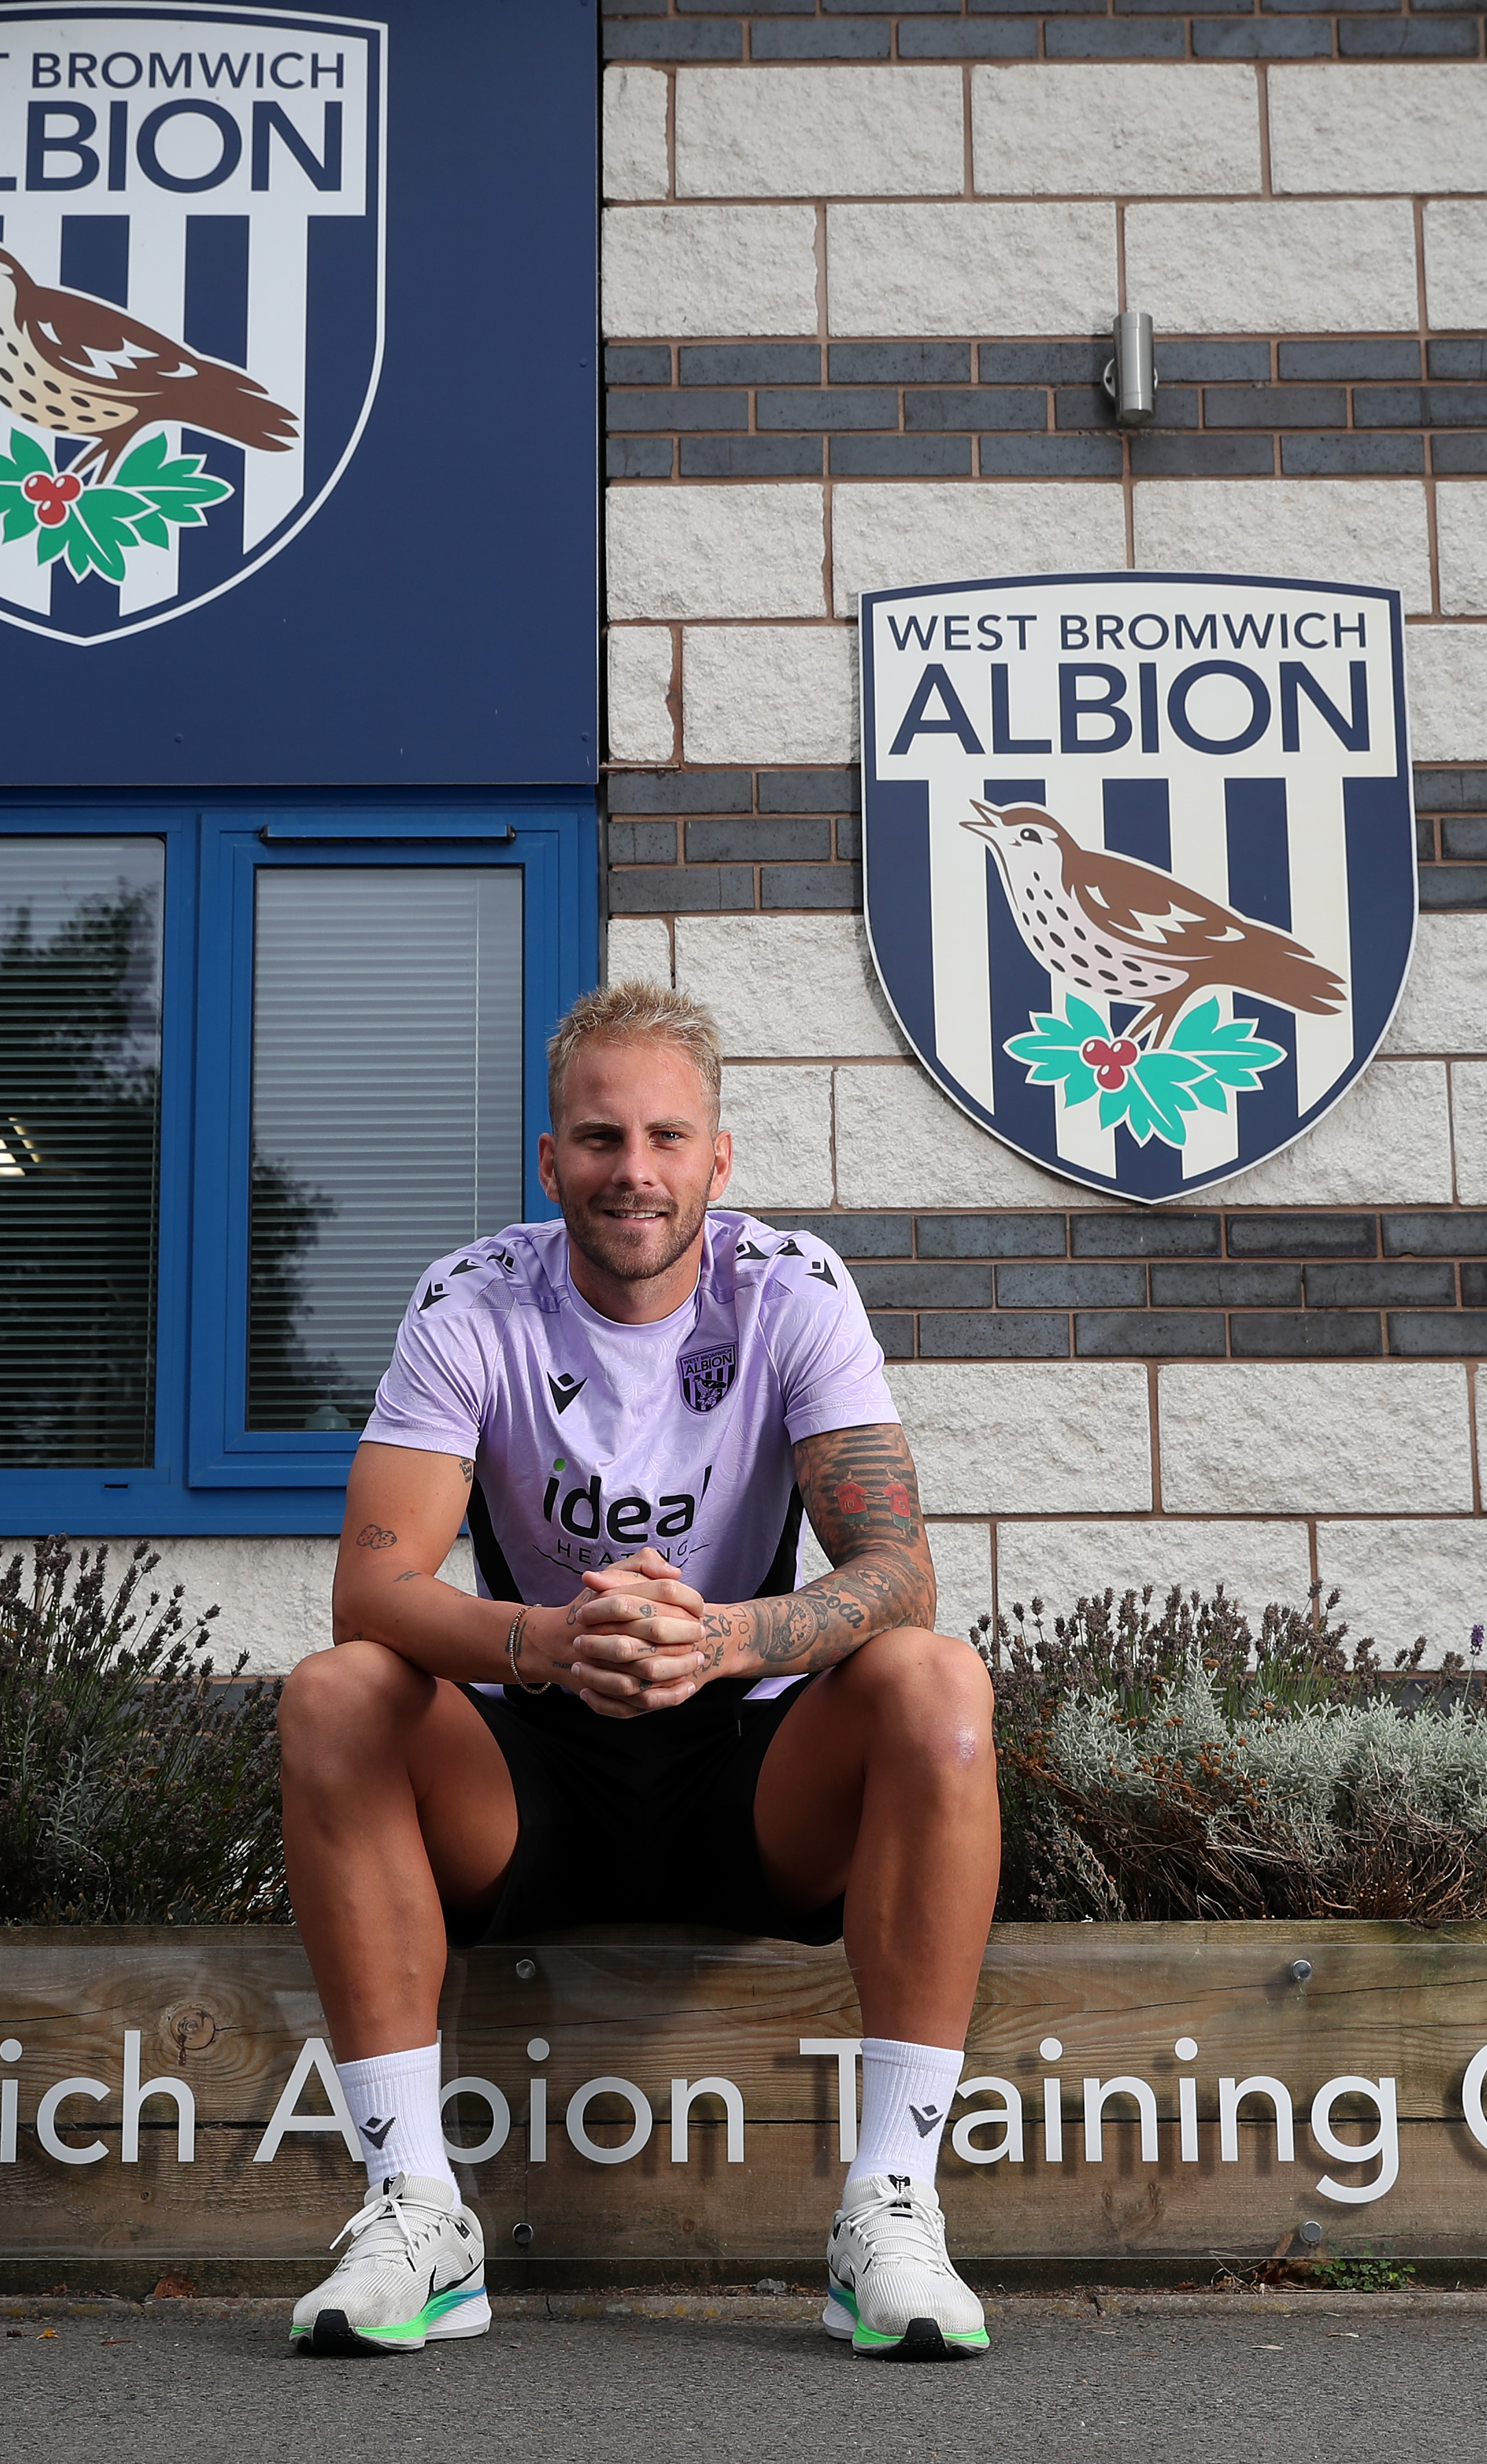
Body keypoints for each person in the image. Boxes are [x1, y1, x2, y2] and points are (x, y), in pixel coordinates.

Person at [277, 980, 1002, 2362]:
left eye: (667, 1137)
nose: (634, 1170)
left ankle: (889, 2213)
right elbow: (369, 1585)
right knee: (332, 1692)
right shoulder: (468, 1300)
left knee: (934, 1679)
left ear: (717, 1161)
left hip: (751, 1767)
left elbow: (896, 1569)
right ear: (549, 1159)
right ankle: (413, 2210)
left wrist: (720, 1636)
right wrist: (542, 1642)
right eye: (599, 1139)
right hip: (532, 1761)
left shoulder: (789, 1286)